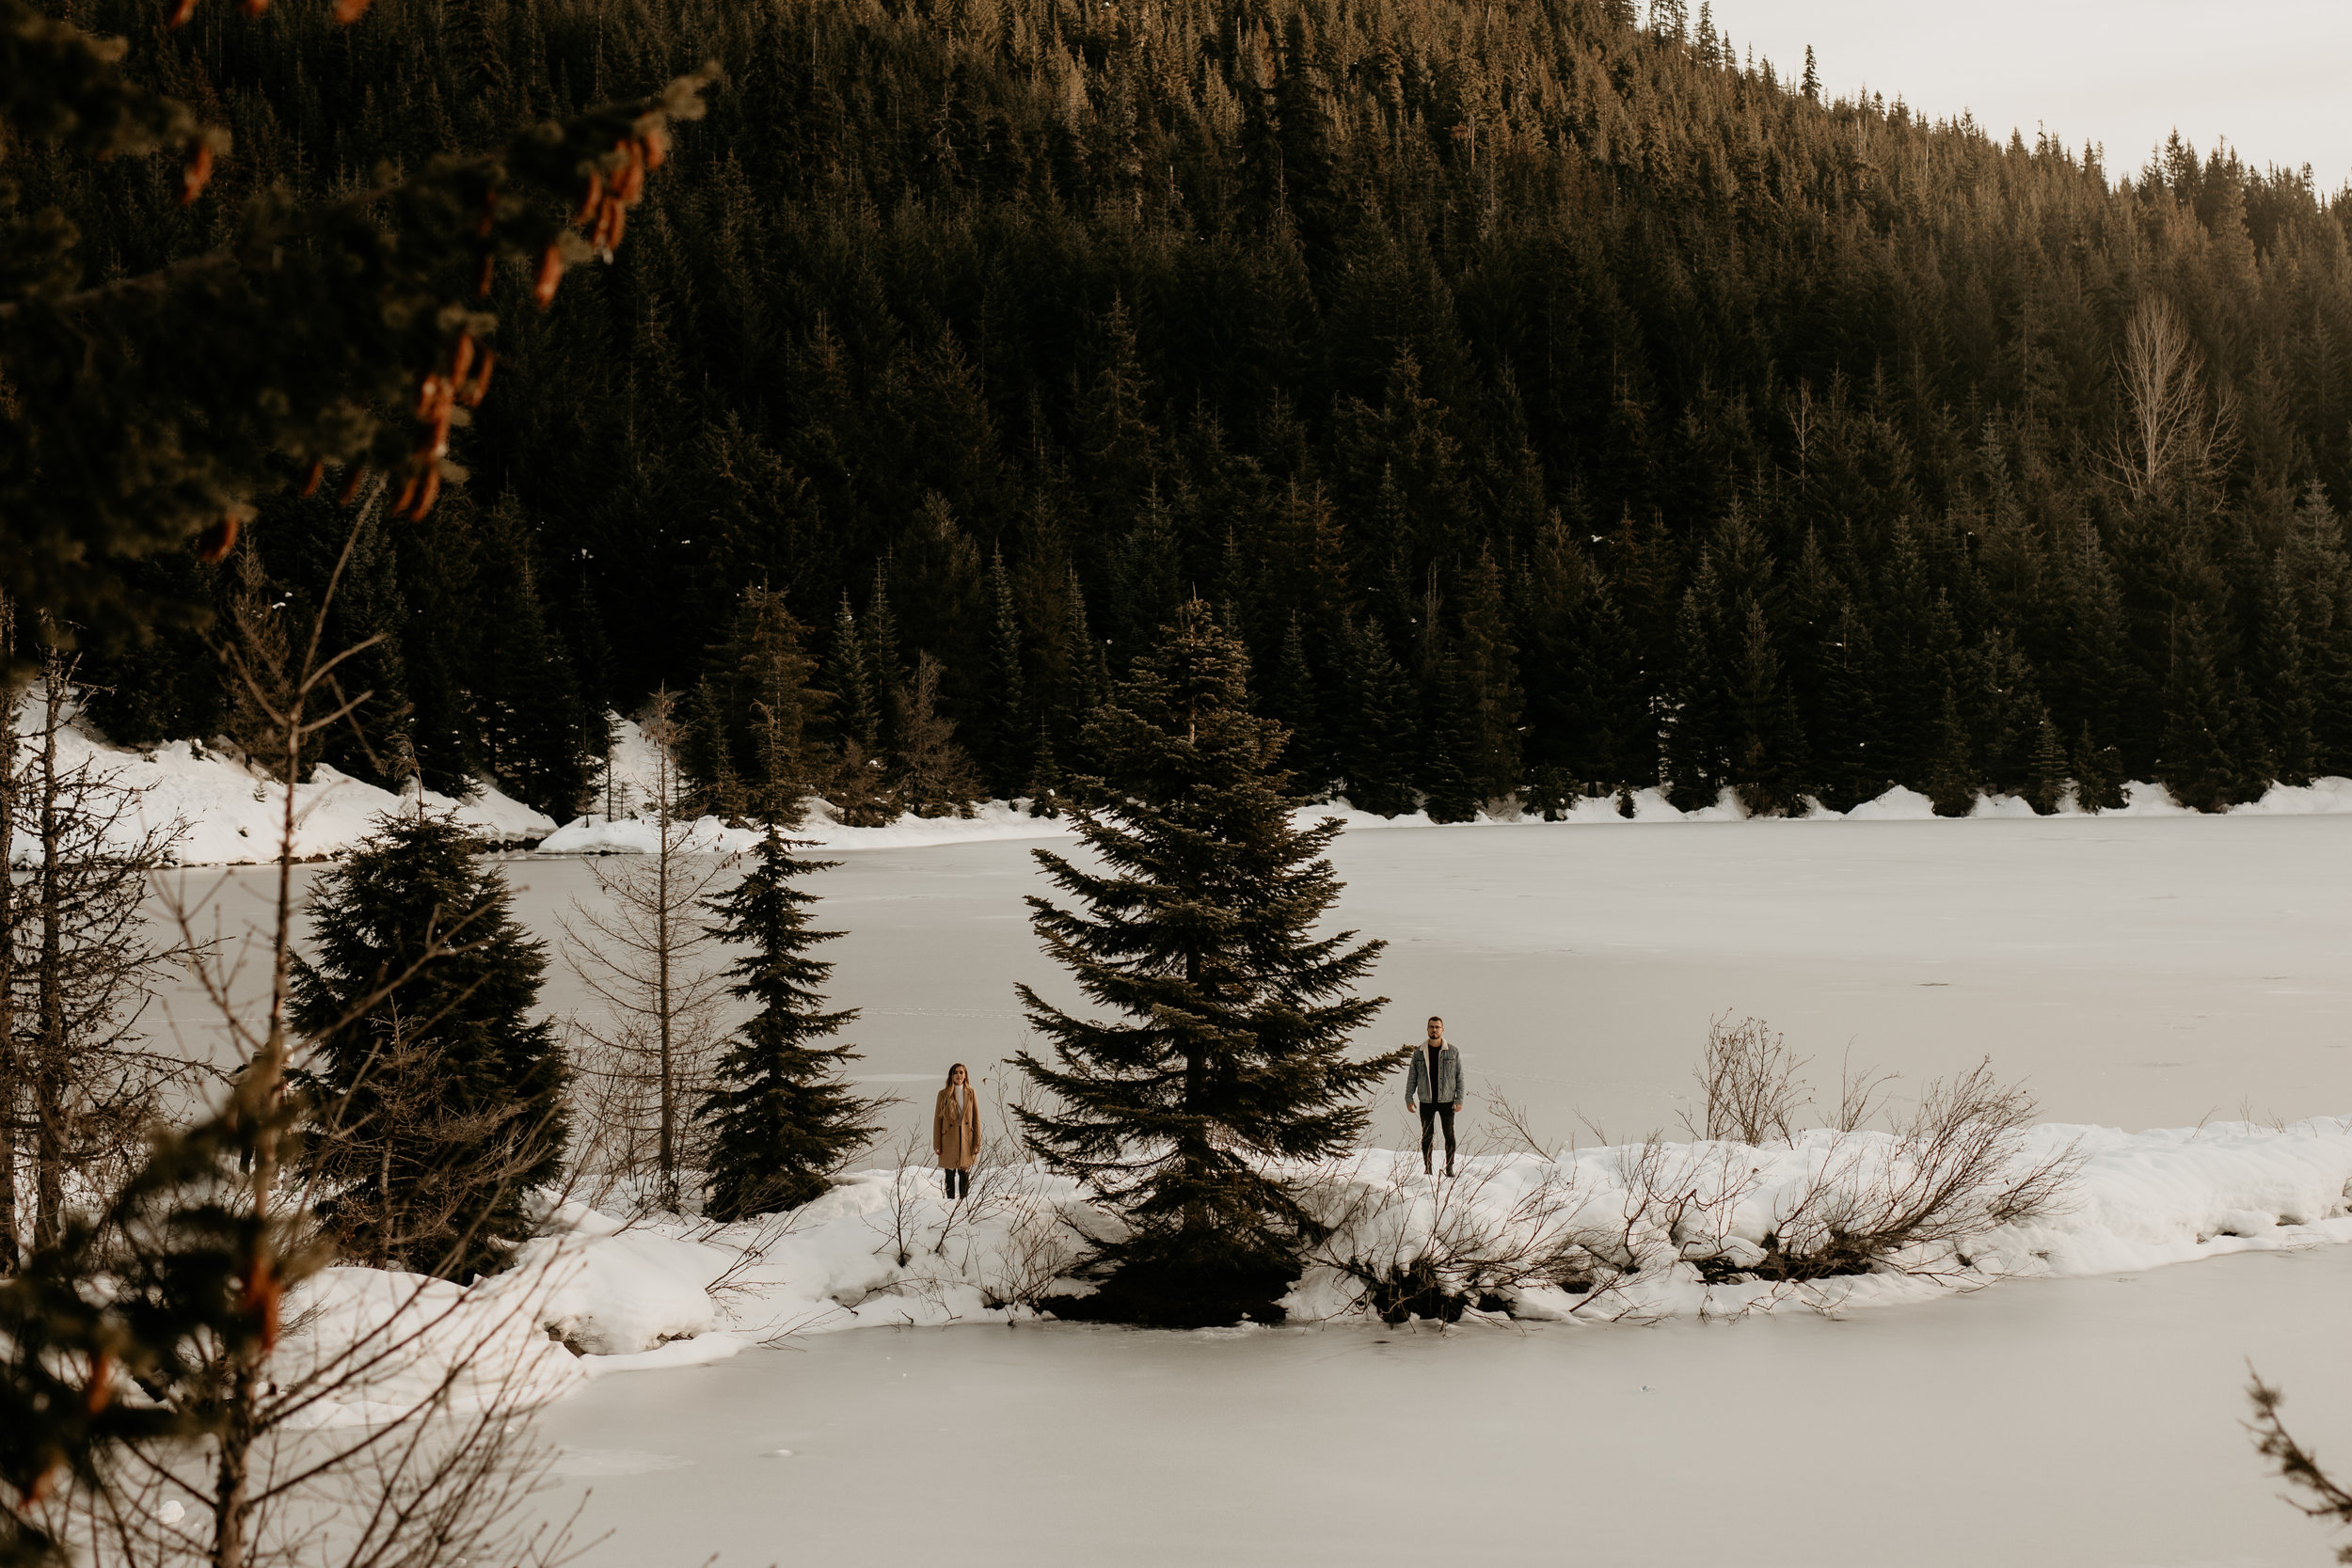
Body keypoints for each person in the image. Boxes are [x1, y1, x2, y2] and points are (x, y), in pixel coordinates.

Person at [1402, 1016, 1463, 1177]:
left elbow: (1459, 1077)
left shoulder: (1453, 1051)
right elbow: (1412, 1077)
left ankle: (1449, 1167)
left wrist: (1459, 1099)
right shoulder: (1419, 1053)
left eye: (1437, 1027)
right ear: (1427, 1029)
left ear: (1442, 1030)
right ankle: (1428, 1168)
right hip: (1426, 1100)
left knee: (1449, 1133)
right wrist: (1409, 1098)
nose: (1434, 1030)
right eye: (1431, 1027)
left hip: (1447, 1100)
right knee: (1427, 1135)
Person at [934, 1062, 980, 1199]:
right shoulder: (943, 1094)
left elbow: (976, 1117)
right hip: (948, 1137)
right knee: (949, 1171)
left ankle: (963, 1201)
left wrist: (977, 1142)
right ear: (951, 1075)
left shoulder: (971, 1092)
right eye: (956, 1072)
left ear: (965, 1075)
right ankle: (949, 1202)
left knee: (964, 1170)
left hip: (967, 1136)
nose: (958, 1075)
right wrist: (937, 1144)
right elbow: (937, 1120)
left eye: (961, 1072)